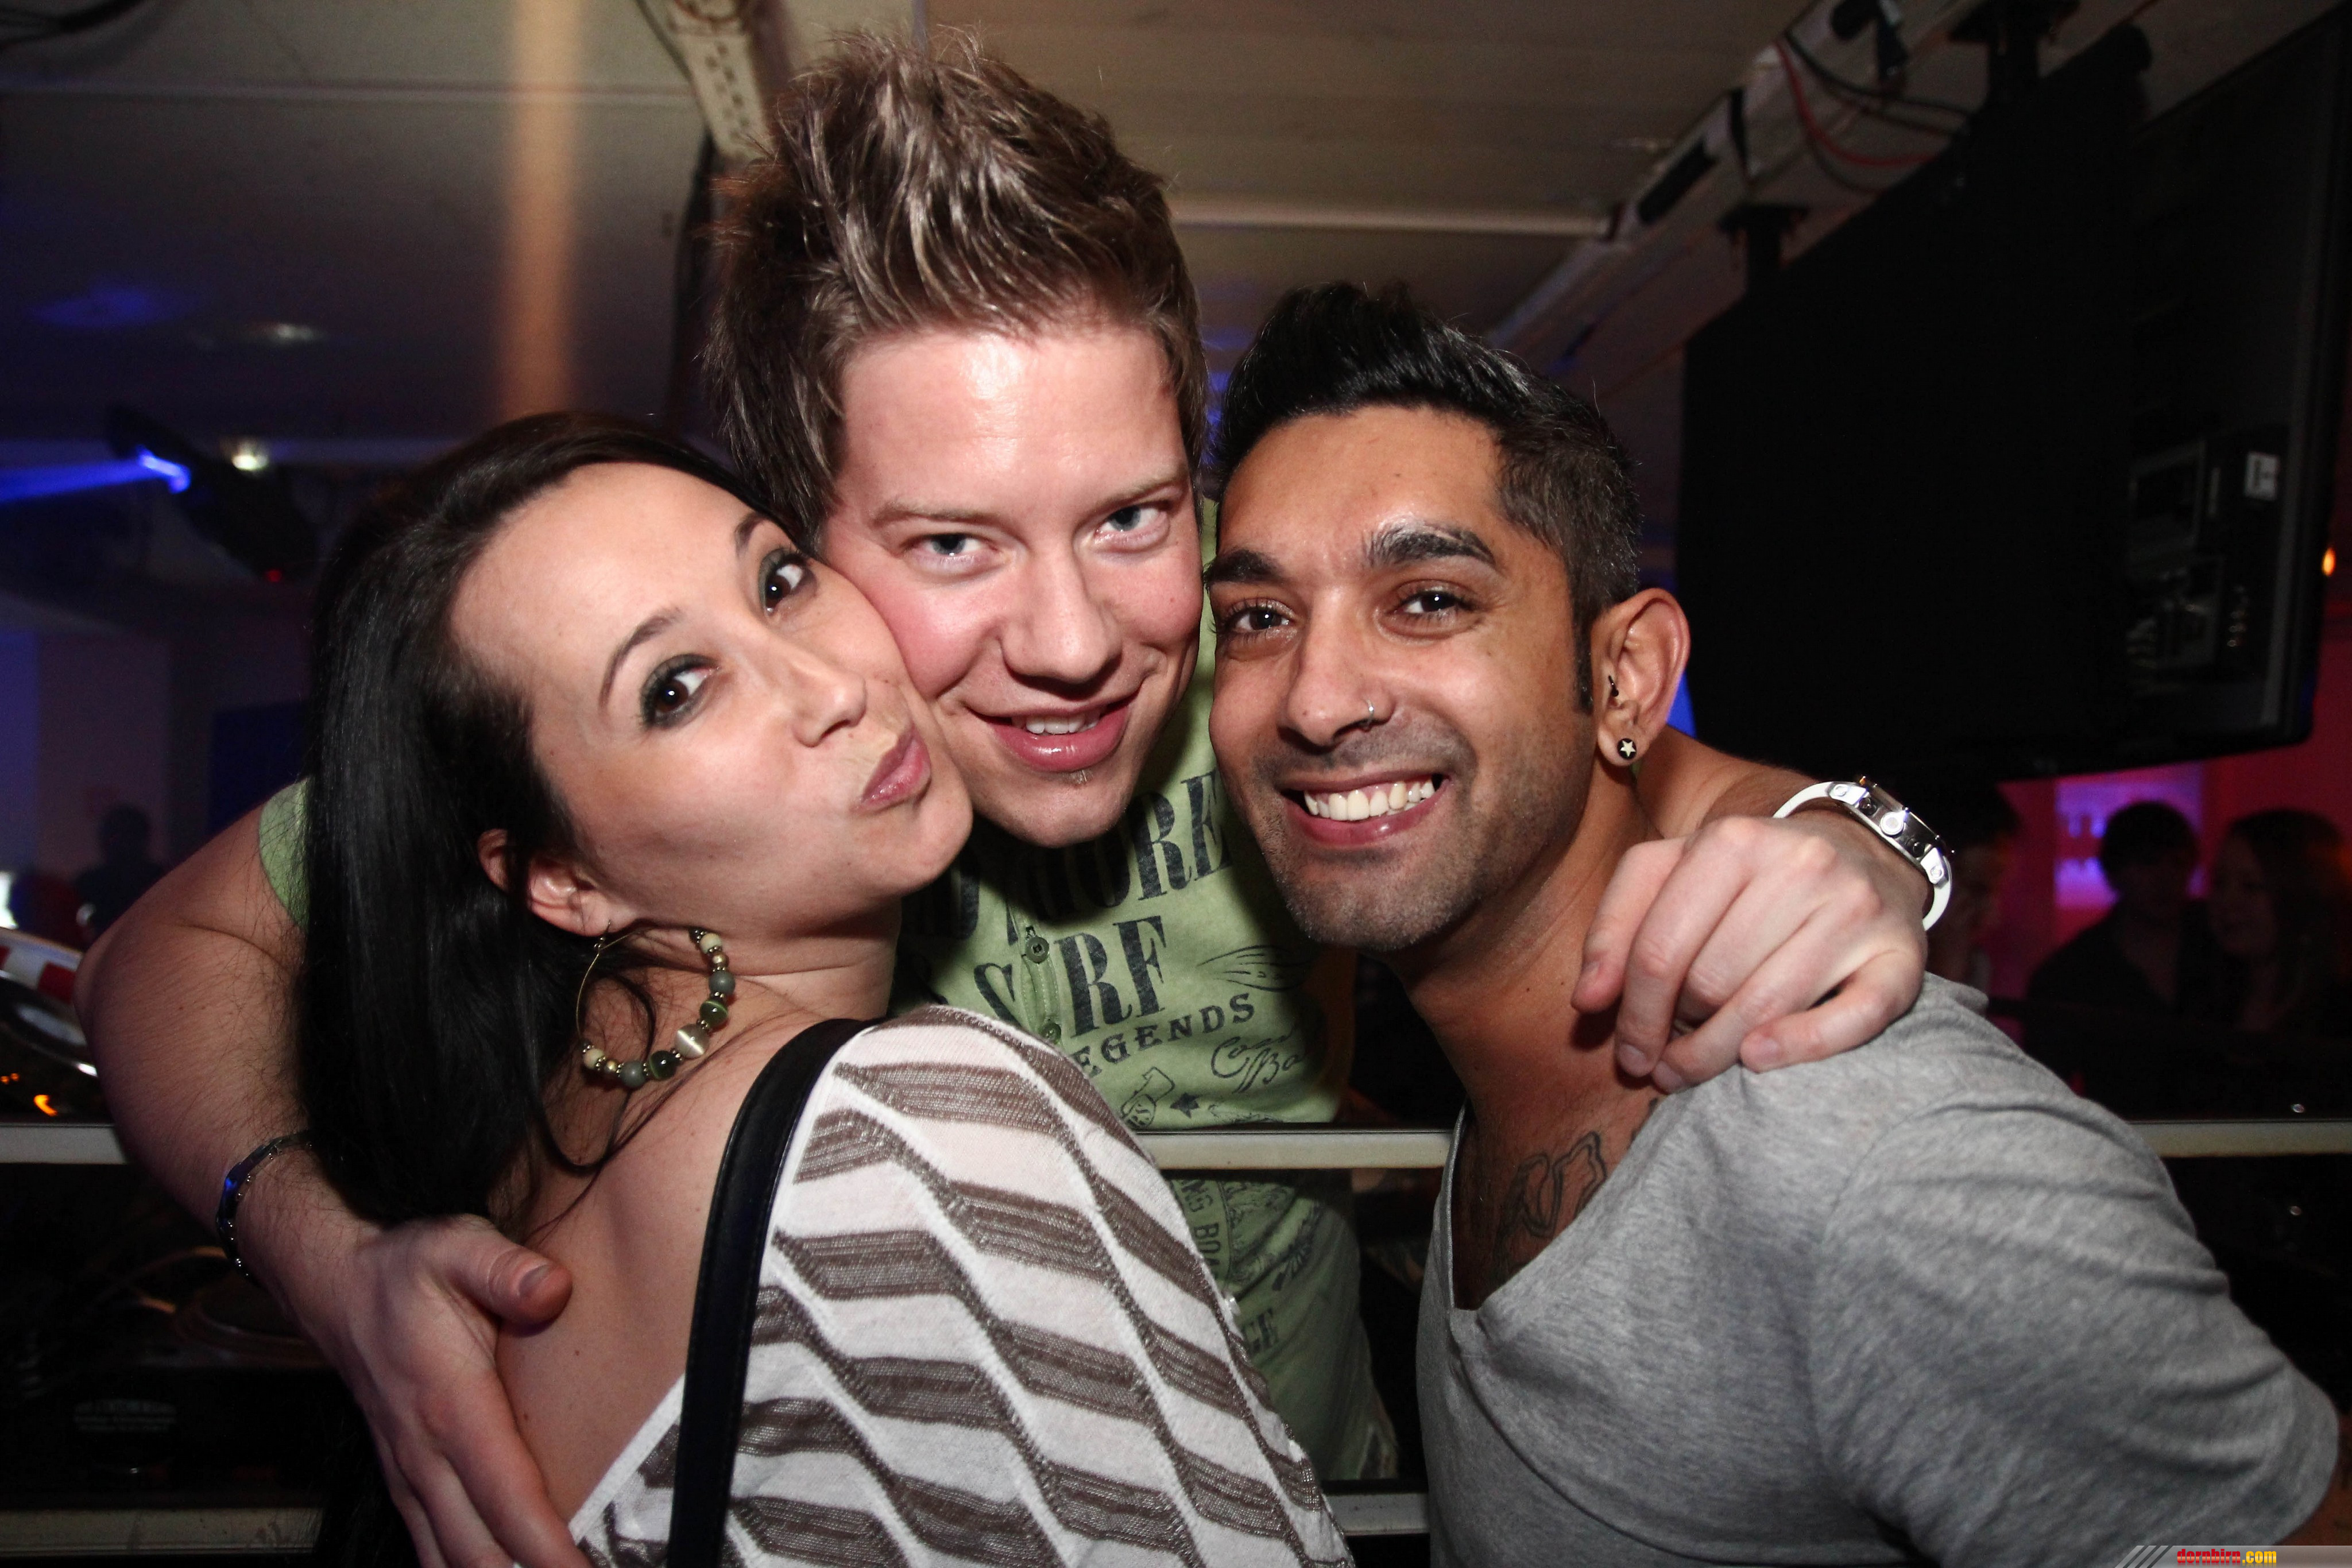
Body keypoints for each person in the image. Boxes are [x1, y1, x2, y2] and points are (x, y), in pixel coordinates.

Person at [80, 37, 1936, 1566]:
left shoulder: (1271, 673)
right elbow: (168, 952)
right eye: (952, 544)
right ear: (800, 543)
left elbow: (1644, 761)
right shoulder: (707, 759)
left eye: (1130, 517)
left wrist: (1860, 848)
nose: (1073, 644)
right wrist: (330, 1262)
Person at [1200, 281, 2347, 1563]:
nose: (1315, 699)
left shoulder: (1876, 1164)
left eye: (1427, 600)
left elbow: (2298, 1543)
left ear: (1623, 677)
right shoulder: (1516, 1067)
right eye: (1259, 617)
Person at [296, 412, 1349, 1565]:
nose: (831, 686)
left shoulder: (543, 1147)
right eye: (675, 689)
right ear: (561, 878)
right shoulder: (921, 1127)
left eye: (779, 581)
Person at [2025, 799, 2230, 1112]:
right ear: (2115, 872)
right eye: (2148, 862)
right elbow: (2046, 1090)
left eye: (2177, 863)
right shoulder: (2072, 973)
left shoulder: (2224, 944)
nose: (2165, 878)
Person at [72, 803, 166, 938]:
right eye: (113, 836)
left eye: (128, 835)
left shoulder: (163, 881)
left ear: (142, 839)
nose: (122, 845)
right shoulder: (88, 884)